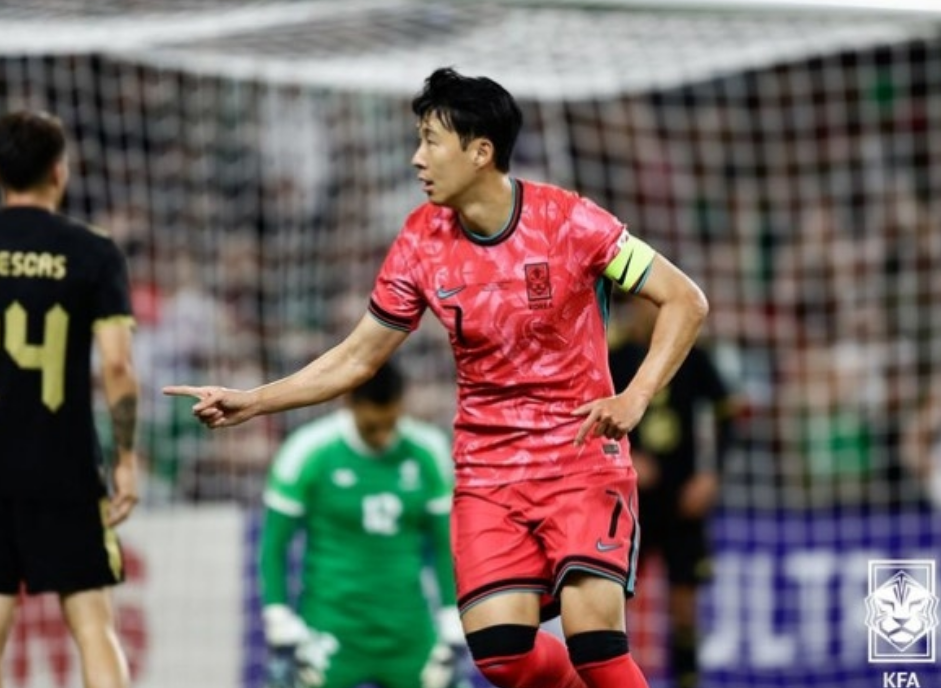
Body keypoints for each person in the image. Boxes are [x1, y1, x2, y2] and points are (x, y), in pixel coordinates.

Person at [167, 67, 708, 688]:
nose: (416, 158)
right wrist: (253, 401)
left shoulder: (570, 222)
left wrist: (636, 396)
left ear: (480, 152)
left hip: (580, 457)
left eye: (430, 141)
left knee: (596, 646)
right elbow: (358, 357)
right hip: (488, 472)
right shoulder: (420, 241)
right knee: (501, 657)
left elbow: (685, 299)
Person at [0, 110, 139, 688]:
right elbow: (117, 365)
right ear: (60, 171)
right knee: (93, 625)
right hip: (64, 469)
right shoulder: (93, 253)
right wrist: (126, 460)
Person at [259, 359, 468, 688]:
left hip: (409, 631)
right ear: (348, 404)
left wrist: (450, 619)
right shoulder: (307, 450)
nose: (382, 436)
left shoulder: (428, 450)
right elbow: (274, 545)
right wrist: (278, 618)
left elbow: (445, 544)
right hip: (330, 627)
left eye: (390, 424)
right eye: (372, 427)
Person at [609, 295, 736, 688]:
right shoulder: (615, 356)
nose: (649, 310)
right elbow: (591, 415)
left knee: (684, 603)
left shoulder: (691, 354)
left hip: (684, 498)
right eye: (643, 302)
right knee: (613, 598)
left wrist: (710, 476)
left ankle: (687, 679)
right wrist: (625, 457)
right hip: (630, 501)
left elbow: (727, 414)